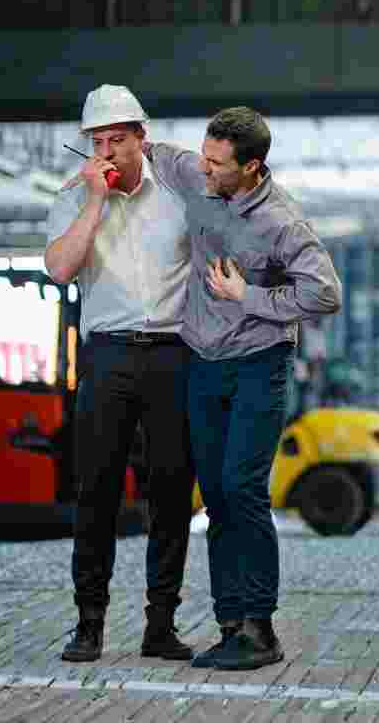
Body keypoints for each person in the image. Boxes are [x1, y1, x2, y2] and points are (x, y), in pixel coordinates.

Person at [145, 107, 342, 671]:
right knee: (215, 495)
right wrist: (117, 150)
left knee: (242, 487)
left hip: (260, 360)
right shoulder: (197, 175)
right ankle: (231, 624)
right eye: (203, 157)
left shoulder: (282, 222)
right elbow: (156, 153)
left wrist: (247, 298)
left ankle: (260, 628)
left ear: (252, 166)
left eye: (217, 163)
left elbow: (325, 294)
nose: (204, 169)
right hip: (204, 361)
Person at [44, 85, 195, 664]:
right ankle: (89, 624)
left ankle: (161, 624)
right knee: (96, 492)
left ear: (141, 138)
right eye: (97, 142)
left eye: (117, 141)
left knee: (172, 491)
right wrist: (93, 203)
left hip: (170, 355)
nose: (107, 152)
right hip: (106, 355)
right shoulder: (73, 197)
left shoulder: (178, 198)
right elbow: (60, 270)